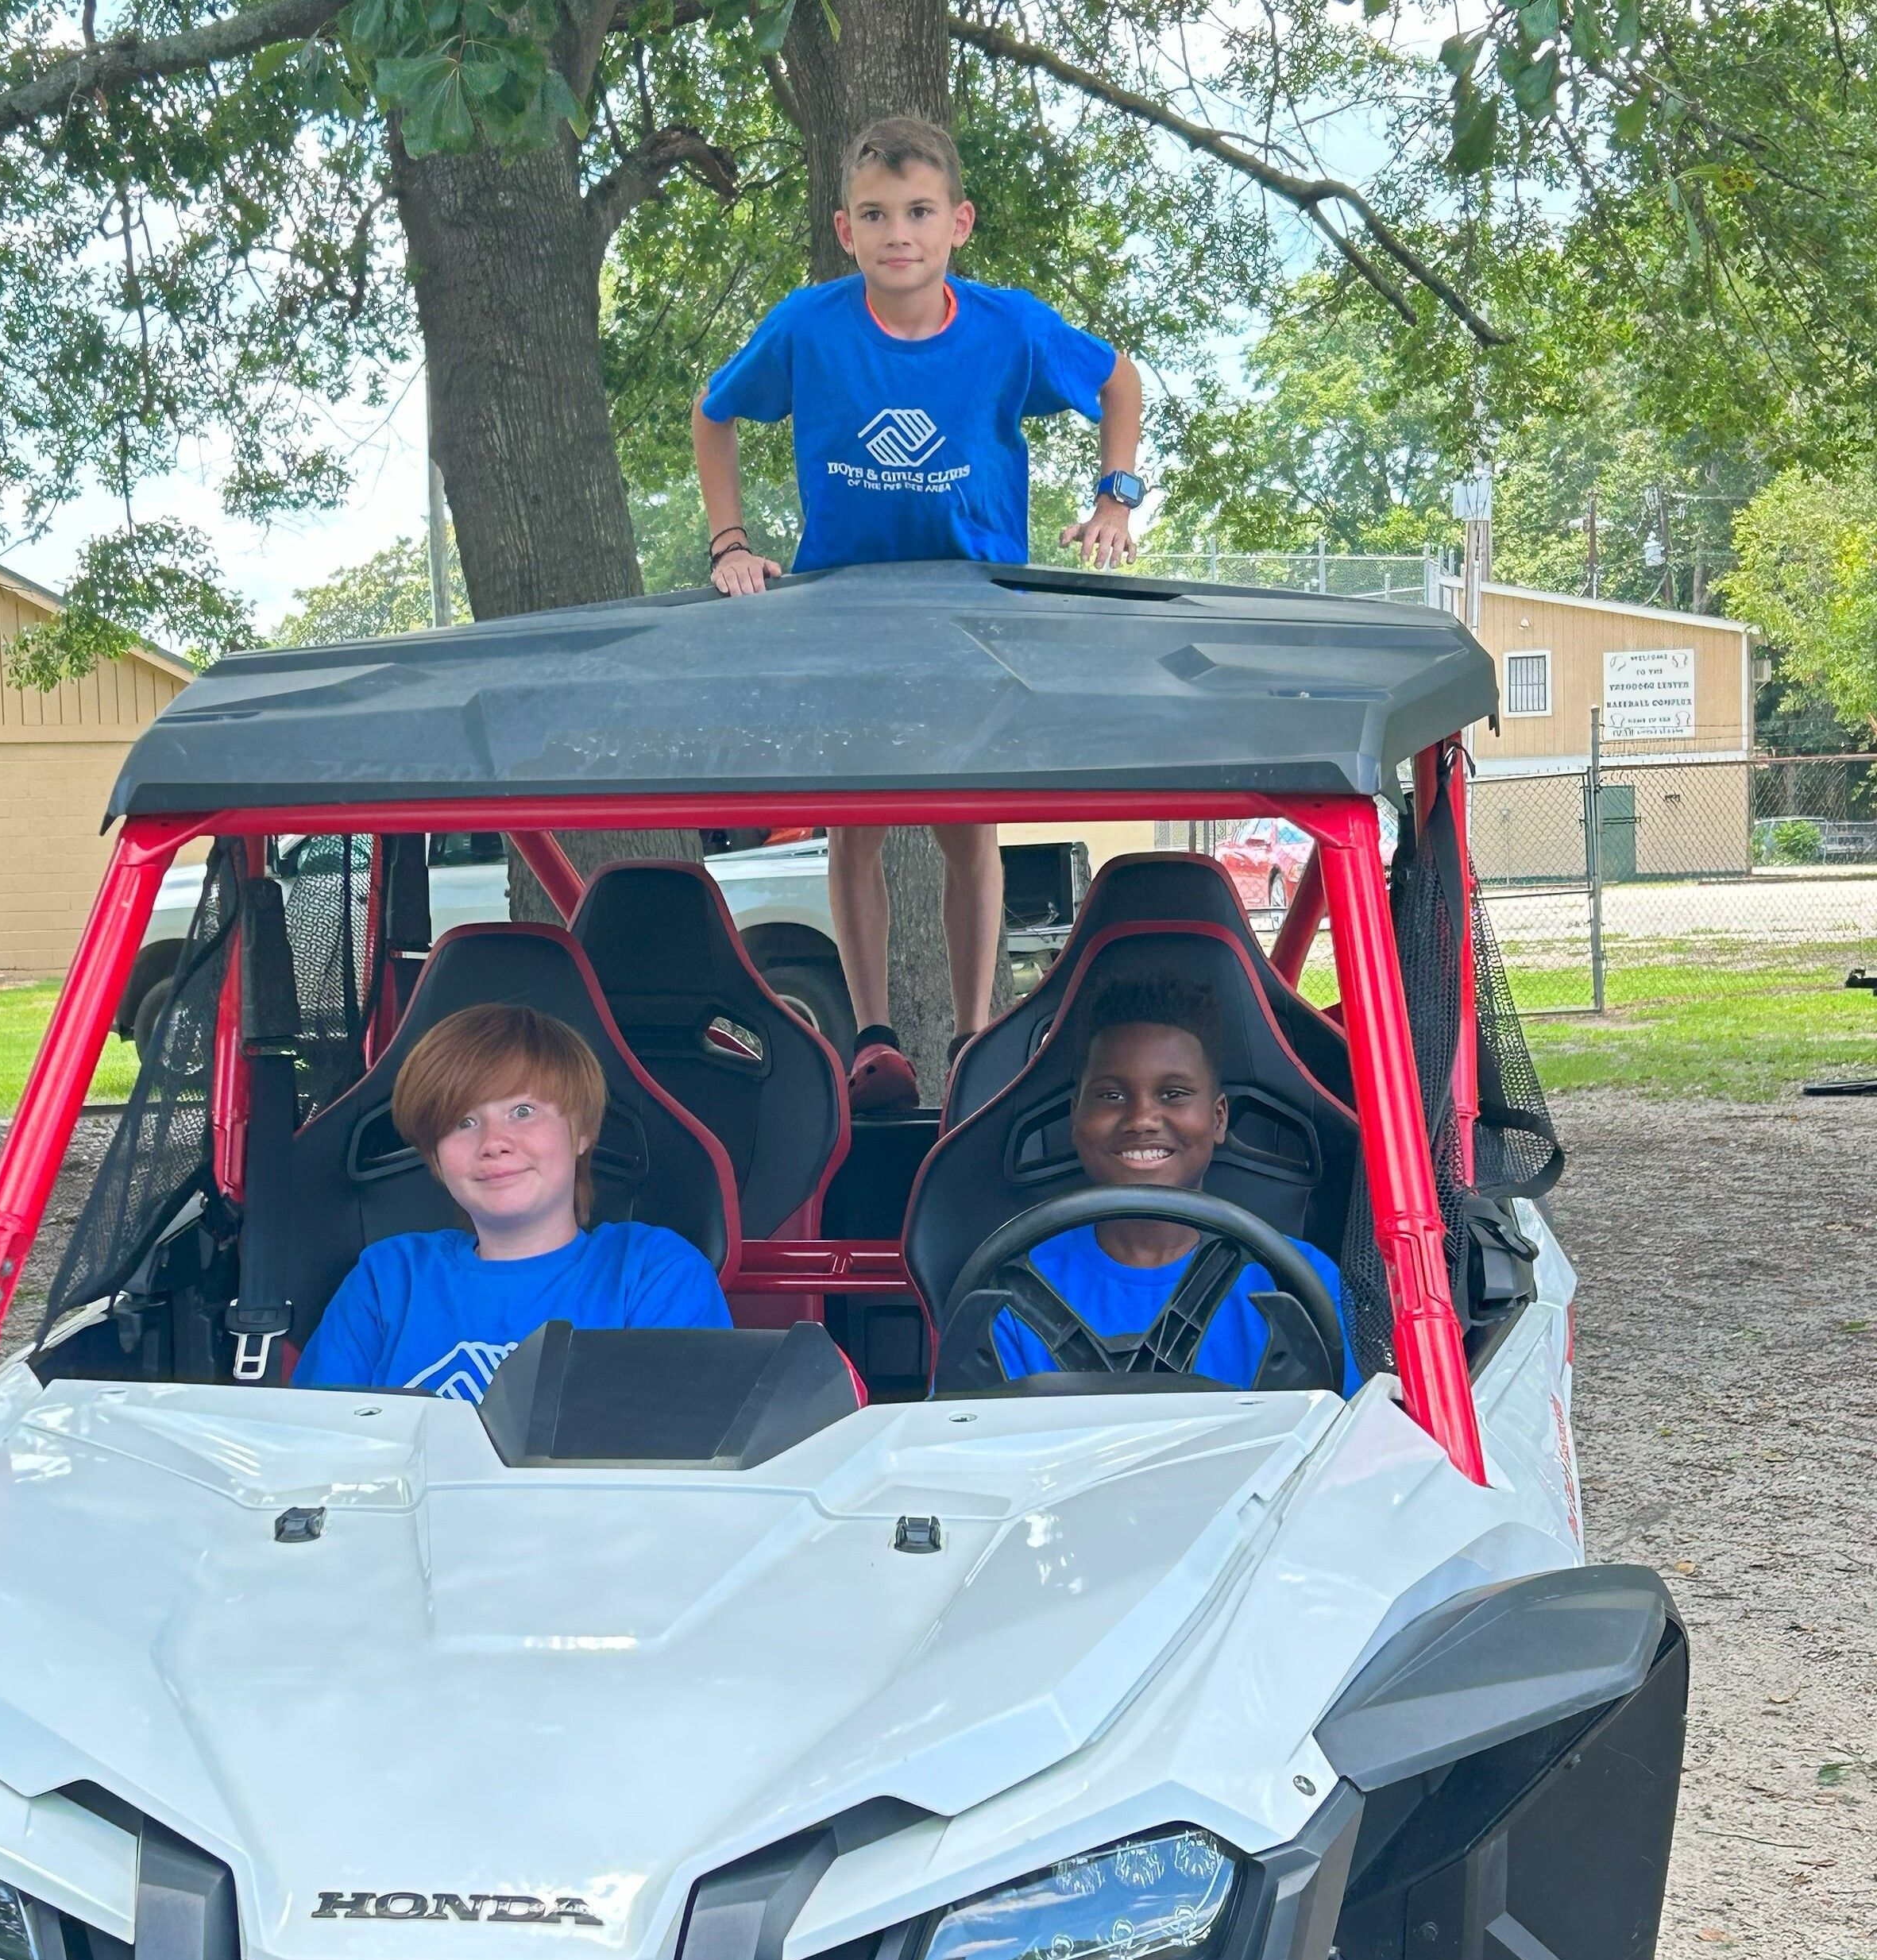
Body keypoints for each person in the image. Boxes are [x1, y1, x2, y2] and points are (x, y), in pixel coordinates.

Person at [691, 112, 1146, 1116]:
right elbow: (714, 412)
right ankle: (874, 1038)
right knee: (853, 826)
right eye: (876, 215)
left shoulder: (1008, 327)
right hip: (844, 609)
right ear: (846, 230)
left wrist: (1116, 493)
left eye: (920, 212)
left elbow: (1118, 379)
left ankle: (976, 1032)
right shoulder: (807, 326)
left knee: (965, 827)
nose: (899, 233)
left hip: (970, 609)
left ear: (958, 224)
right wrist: (731, 543)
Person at [292, 1003, 731, 1401]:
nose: (494, 1143)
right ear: (437, 1159)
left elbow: (679, 1457)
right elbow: (317, 1444)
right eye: (462, 1121)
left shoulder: (653, 1273)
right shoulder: (388, 1277)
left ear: (581, 1132)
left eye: (523, 1111)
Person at [992, 981, 1361, 1393]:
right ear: (1075, 1117)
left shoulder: (1302, 1284)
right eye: (1112, 1095)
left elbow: (1353, 1438)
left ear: (1218, 1118)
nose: (1142, 1119)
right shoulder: (1007, 1298)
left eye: (1173, 1094)